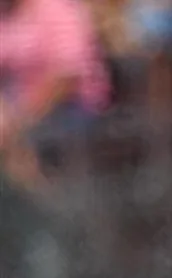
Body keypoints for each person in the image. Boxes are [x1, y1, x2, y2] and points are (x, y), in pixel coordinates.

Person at [0, 0, 105, 184]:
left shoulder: (57, 9)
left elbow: (67, 77)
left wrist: (22, 119)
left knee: (14, 144)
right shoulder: (7, 13)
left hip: (69, 105)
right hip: (17, 105)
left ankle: (31, 198)